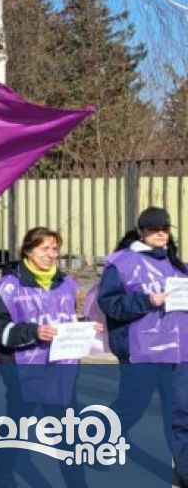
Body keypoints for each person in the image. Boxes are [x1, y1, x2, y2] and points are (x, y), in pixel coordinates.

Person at [0, 226, 99, 488]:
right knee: (17, 427)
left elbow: (64, 321)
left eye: (55, 248)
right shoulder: (9, 286)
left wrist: (85, 326)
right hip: (24, 373)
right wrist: (34, 332)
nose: (51, 254)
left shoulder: (66, 283)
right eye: (44, 248)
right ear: (29, 251)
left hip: (60, 372)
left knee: (69, 436)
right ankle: (4, 472)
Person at [96, 206, 188, 483]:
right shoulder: (121, 263)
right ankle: (98, 445)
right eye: (153, 229)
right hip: (141, 351)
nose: (160, 233)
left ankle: (184, 471)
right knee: (131, 407)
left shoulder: (177, 265)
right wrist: (148, 300)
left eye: (165, 228)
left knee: (181, 412)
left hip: (179, 352)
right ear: (141, 231)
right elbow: (110, 304)